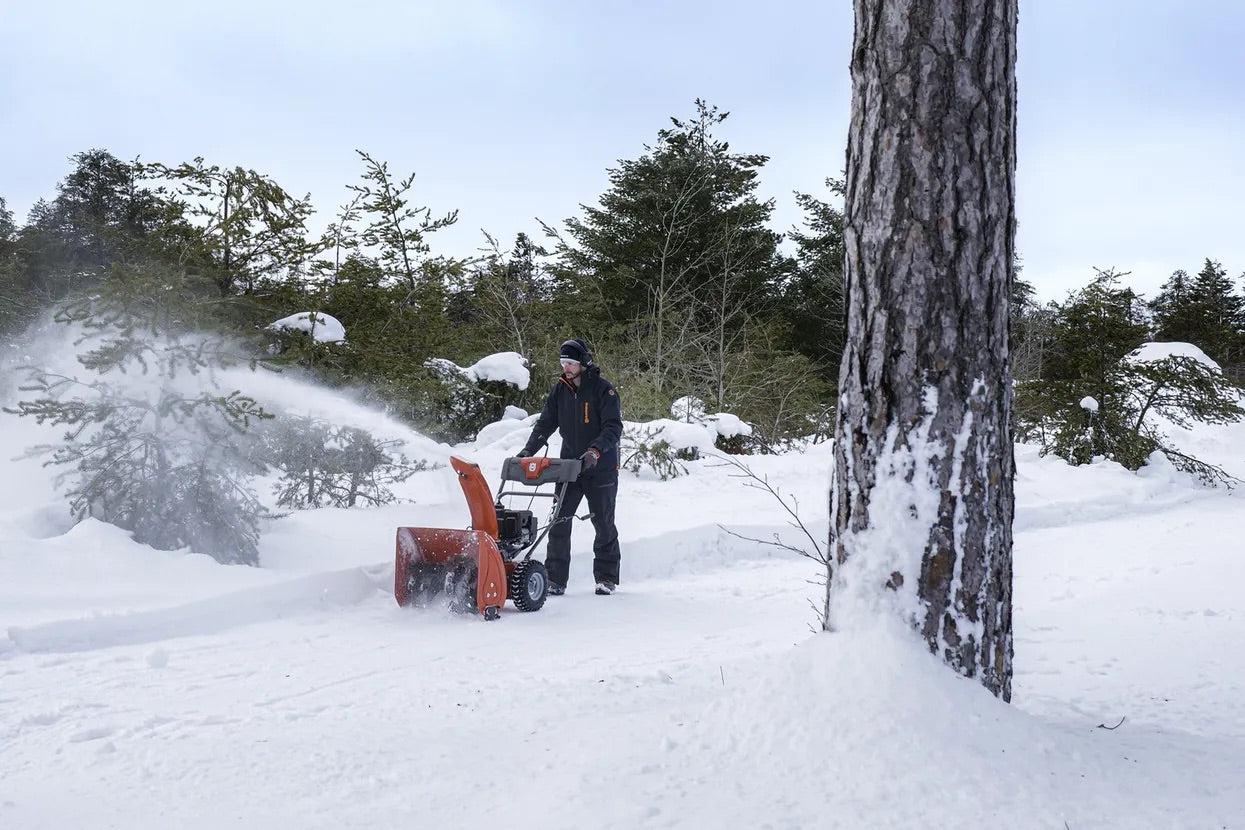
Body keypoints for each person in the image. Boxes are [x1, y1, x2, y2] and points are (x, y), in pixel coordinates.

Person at [517, 338, 623, 596]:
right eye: (563, 363)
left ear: (583, 362)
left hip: (600, 468)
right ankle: (555, 579)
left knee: (603, 523)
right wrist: (528, 451)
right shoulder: (560, 390)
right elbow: (545, 424)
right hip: (568, 468)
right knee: (559, 522)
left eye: (571, 363)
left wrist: (594, 451)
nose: (566, 368)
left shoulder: (603, 390)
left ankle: (606, 578)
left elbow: (613, 428)